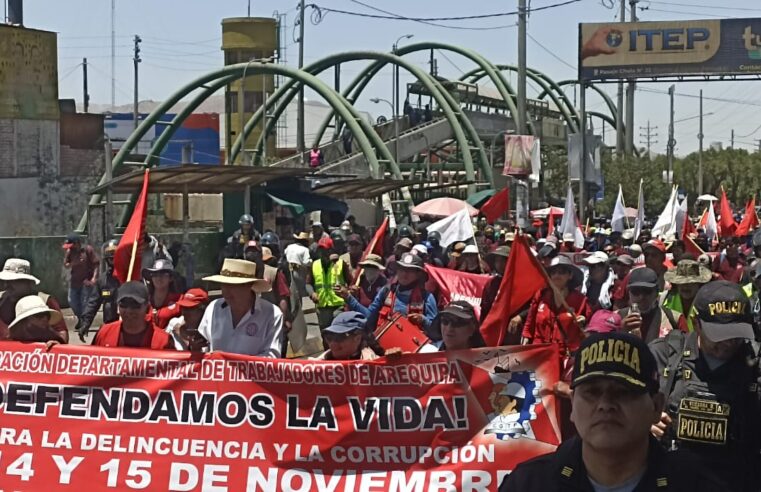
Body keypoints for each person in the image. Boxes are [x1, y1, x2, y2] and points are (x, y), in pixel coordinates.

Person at [500, 332, 726, 491]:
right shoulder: (528, 484)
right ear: (572, 403)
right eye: (592, 392)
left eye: (624, 392)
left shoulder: (696, 485)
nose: (605, 404)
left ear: (656, 406)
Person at [650, 281, 761, 491]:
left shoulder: (755, 364)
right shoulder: (662, 356)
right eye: (719, 333)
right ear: (696, 323)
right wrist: (643, 424)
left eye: (735, 332)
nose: (728, 342)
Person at [198, 258, 283, 357]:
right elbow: (203, 347)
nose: (226, 291)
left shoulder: (272, 314)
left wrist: (237, 366)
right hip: (217, 372)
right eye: (223, 284)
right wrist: (196, 345)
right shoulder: (213, 308)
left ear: (249, 285)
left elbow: (272, 356)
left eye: (233, 285)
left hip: (250, 373)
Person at [341, 252, 438, 334]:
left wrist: (423, 320)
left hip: (414, 351)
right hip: (386, 347)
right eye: (402, 269)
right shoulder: (386, 292)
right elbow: (368, 317)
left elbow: (436, 331)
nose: (404, 274)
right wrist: (348, 297)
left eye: (410, 270)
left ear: (418, 274)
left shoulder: (427, 297)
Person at [522, 256, 591, 356]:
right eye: (553, 272)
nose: (556, 275)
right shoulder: (541, 295)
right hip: (540, 352)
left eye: (561, 272)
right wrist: (526, 337)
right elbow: (530, 321)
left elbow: (589, 327)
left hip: (566, 355)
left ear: (570, 275)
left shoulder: (581, 300)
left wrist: (584, 322)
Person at [0, 258, 68, 343]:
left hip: (37, 354)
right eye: (5, 281)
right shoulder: (1, 300)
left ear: (28, 282)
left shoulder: (44, 301)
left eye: (13, 281)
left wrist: (57, 345)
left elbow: (61, 331)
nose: (7, 285)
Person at [92, 281, 173, 349]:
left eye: (135, 305)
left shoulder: (163, 341)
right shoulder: (104, 333)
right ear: (117, 307)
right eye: (124, 304)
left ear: (147, 307)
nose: (129, 310)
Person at [618, 268, 682, 343]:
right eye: (635, 292)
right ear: (628, 293)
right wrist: (620, 331)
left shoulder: (675, 319)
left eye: (647, 291)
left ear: (656, 292)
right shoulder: (617, 318)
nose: (641, 297)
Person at [76, 239, 122, 342]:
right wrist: (85, 323)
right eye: (110, 259)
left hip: (127, 328)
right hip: (109, 326)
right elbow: (93, 303)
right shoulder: (102, 280)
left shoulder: (131, 276)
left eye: (115, 257)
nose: (113, 261)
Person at [307, 237, 351, 331]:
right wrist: (312, 293)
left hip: (339, 305)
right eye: (321, 250)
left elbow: (350, 282)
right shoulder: (314, 265)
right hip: (322, 307)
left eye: (326, 250)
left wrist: (347, 292)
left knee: (338, 332)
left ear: (331, 250)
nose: (323, 253)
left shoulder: (341, 264)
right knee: (326, 335)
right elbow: (308, 284)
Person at [312, 311, 386, 361]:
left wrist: (394, 361)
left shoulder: (375, 365)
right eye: (329, 337)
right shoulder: (316, 365)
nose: (332, 344)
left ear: (357, 338)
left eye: (339, 337)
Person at [662, 259, 711, 333]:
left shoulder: (708, 303)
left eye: (691, 283)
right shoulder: (664, 299)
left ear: (699, 284)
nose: (686, 286)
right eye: (682, 283)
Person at [62, 233, 99, 323]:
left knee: (84, 303)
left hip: (86, 281)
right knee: (72, 301)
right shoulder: (70, 252)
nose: (71, 248)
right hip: (74, 281)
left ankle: (84, 322)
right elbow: (66, 265)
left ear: (77, 243)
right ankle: (81, 319)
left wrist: (94, 278)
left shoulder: (87, 250)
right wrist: (73, 263)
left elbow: (96, 264)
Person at [142, 258, 182, 329]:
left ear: (171, 278)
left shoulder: (180, 300)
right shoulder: (143, 300)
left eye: (163, 274)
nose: (158, 278)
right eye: (155, 274)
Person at [480, 246, 509, 323]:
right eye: (497, 261)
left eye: (503, 261)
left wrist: (519, 317)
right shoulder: (491, 284)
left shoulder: (518, 282)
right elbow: (485, 308)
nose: (500, 264)